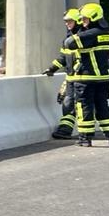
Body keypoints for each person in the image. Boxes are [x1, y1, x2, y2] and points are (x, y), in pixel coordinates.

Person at [64, 3, 109, 147]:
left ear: (93, 18)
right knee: (103, 106)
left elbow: (69, 43)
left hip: (86, 78)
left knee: (84, 108)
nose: (82, 22)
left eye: (85, 19)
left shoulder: (90, 34)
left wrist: (79, 31)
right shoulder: (105, 34)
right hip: (102, 78)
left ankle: (84, 138)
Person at [43, 8, 83, 140]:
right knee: (68, 103)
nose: (67, 24)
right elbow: (63, 58)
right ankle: (66, 130)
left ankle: (83, 133)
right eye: (66, 22)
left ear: (77, 21)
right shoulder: (68, 39)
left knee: (79, 104)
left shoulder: (84, 37)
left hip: (84, 77)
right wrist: (52, 68)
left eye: (69, 21)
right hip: (72, 78)